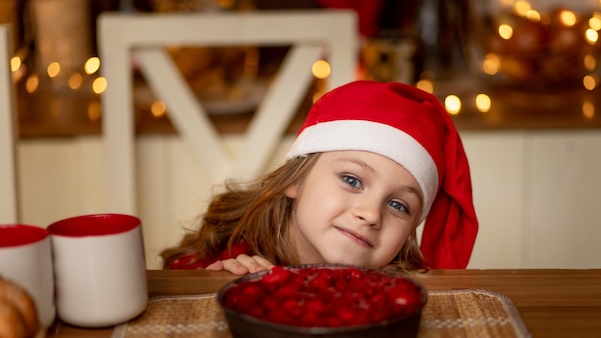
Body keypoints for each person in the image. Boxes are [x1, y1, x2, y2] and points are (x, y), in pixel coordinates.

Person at [160, 80, 478, 274]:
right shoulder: (228, 259)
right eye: (352, 180)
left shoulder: (402, 296)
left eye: (398, 205)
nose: (370, 214)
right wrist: (220, 286)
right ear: (295, 180)